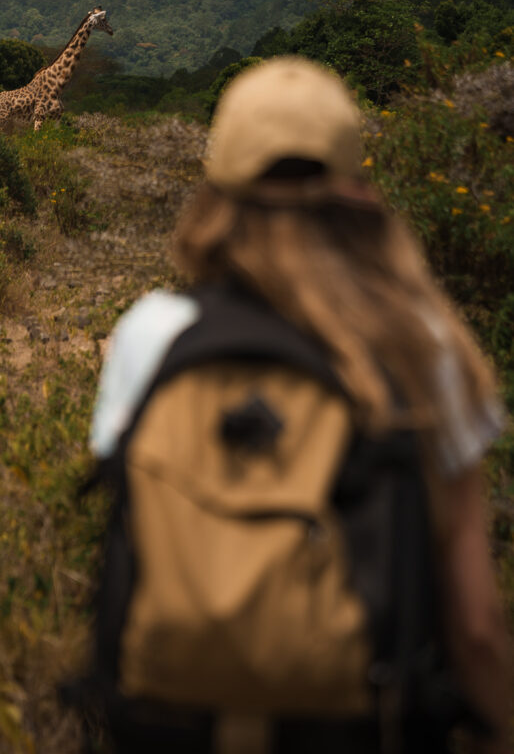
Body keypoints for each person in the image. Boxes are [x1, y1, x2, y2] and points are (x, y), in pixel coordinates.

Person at [90, 56, 511, 753]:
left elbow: (128, 542)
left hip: (171, 730)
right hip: (365, 728)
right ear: (355, 186)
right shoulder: (422, 343)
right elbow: (476, 627)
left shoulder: (152, 333)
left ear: (217, 186)